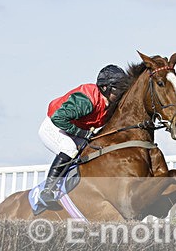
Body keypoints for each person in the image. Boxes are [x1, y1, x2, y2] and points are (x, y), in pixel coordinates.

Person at [37, 64, 129, 204]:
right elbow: (58, 118)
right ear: (105, 88)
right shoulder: (87, 100)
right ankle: (47, 190)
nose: (121, 93)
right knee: (69, 148)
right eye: (118, 89)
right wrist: (83, 134)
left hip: (75, 130)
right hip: (54, 126)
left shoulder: (110, 105)